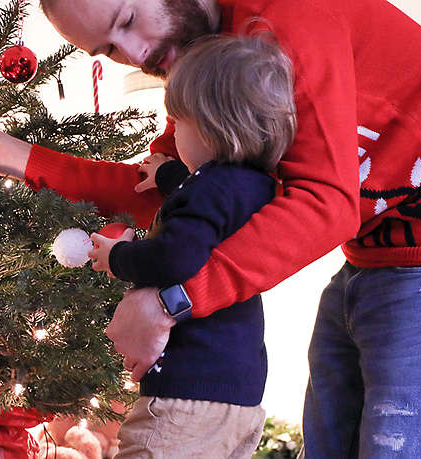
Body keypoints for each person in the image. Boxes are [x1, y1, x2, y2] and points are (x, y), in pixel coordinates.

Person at [0, 0, 421, 456]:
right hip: (371, 261)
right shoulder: (210, 59)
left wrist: (172, 300)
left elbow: (324, 201)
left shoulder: (284, 20)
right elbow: (174, 195)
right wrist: (8, 155)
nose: (132, 54)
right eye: (106, 50)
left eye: (128, 20)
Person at [83, 35, 294, 458]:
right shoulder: (257, 187)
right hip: (240, 395)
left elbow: (175, 256)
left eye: (178, 124)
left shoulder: (208, 190)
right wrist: (170, 176)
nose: (173, 133)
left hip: (185, 391)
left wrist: (117, 257)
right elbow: (209, 212)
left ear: (211, 128)